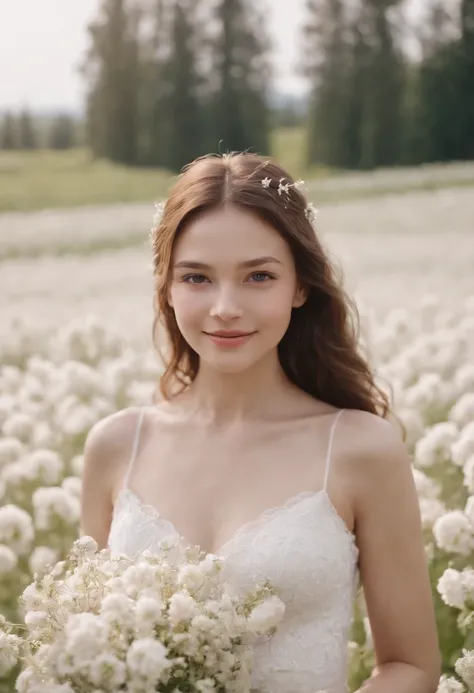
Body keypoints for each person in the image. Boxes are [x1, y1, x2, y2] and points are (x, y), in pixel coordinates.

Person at [80, 153, 440, 693]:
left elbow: (412, 666)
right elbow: (91, 643)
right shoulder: (115, 446)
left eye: (258, 276)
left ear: (300, 287)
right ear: (167, 288)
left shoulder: (361, 449)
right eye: (197, 277)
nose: (226, 307)